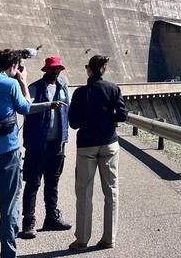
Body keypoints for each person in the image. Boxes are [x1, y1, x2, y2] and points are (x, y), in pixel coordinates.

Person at [0, 49, 63, 258]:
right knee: (9, 209)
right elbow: (26, 107)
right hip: (7, 156)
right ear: (13, 67)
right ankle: (8, 255)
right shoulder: (10, 84)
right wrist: (22, 80)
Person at [68, 55, 127, 250]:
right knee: (111, 191)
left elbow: (74, 123)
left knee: (84, 192)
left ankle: (82, 239)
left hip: (87, 146)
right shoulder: (113, 89)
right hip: (109, 144)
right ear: (103, 69)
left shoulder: (80, 93)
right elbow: (123, 115)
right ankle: (109, 239)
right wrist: (108, 118)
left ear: (88, 69)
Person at [19, 56, 72, 239]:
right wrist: (48, 106)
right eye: (52, 69)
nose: (55, 72)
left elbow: (68, 111)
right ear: (45, 70)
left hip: (57, 143)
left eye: (58, 69)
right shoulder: (35, 87)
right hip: (37, 144)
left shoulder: (63, 86)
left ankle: (51, 217)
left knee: (53, 183)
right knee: (33, 183)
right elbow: (26, 107)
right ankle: (28, 222)